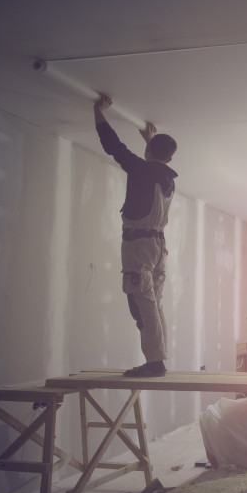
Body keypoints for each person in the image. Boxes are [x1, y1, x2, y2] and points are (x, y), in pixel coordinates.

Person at [94, 95, 178, 377]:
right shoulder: (167, 178)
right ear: (170, 157)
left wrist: (98, 112)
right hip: (157, 246)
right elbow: (153, 163)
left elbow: (113, 147)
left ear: (151, 152)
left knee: (143, 301)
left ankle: (155, 363)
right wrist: (150, 142)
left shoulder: (142, 170)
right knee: (153, 300)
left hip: (139, 246)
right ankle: (159, 358)